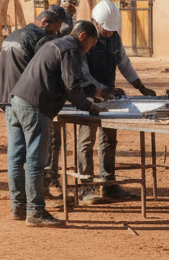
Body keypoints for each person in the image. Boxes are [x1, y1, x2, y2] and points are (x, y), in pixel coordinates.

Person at [7, 20, 100, 226]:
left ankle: (19, 206)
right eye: (92, 43)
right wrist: (89, 106)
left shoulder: (55, 43)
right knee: (36, 160)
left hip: (16, 101)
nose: (90, 49)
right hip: (35, 105)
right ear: (83, 36)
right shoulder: (71, 49)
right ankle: (35, 212)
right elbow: (71, 86)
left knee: (17, 156)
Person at [76, 0, 157, 204]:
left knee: (109, 141)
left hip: (109, 97)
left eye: (112, 30)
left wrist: (140, 86)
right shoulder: (82, 37)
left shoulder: (114, 38)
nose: (109, 33)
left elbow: (124, 63)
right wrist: (101, 91)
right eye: (105, 29)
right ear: (95, 22)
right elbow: (83, 72)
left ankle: (109, 184)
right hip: (88, 97)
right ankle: (86, 187)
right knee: (86, 142)